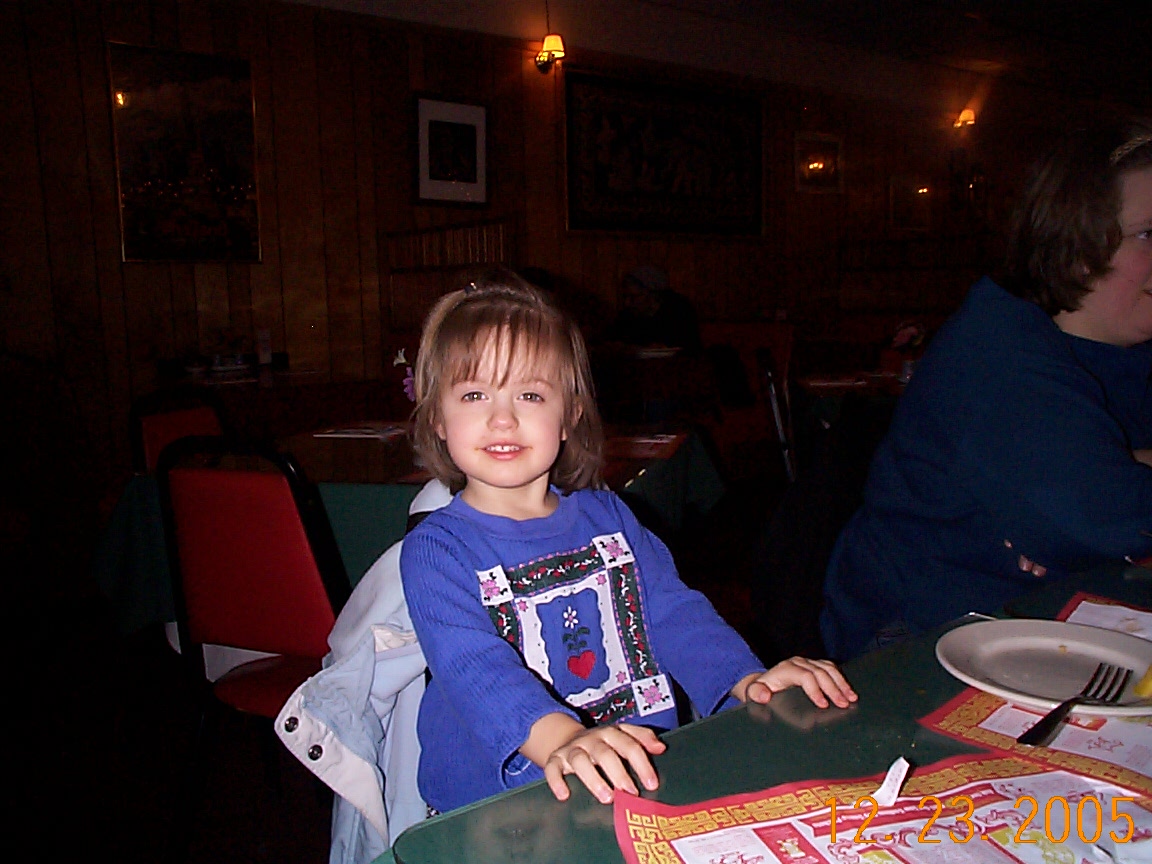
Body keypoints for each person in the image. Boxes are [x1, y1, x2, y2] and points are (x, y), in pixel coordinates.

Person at [400, 271, 856, 813]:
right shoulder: (437, 549)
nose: (503, 418)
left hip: (634, 780)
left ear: (569, 415)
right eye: (474, 394)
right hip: (500, 808)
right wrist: (564, 740)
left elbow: (673, 612)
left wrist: (747, 678)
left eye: (530, 394)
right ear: (438, 418)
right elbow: (473, 667)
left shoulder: (610, 515)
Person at [820, 118, 1152, 661]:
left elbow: (1095, 515)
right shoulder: (999, 346)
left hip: (1054, 615)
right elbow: (1110, 520)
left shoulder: (1124, 350)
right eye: (1149, 234)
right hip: (922, 635)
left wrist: (1108, 478)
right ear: (1077, 241)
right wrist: (1099, 498)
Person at [607, 265, 701, 351]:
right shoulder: (628, 314)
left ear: (653, 295)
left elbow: (688, 346)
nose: (627, 303)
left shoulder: (678, 310)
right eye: (625, 297)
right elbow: (614, 340)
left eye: (634, 297)